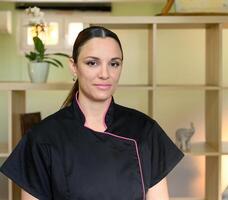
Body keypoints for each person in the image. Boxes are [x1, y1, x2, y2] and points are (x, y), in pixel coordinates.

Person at [0, 26, 184, 200]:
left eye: (114, 63)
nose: (105, 74)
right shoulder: (42, 138)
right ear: (74, 66)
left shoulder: (145, 130)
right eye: (92, 63)